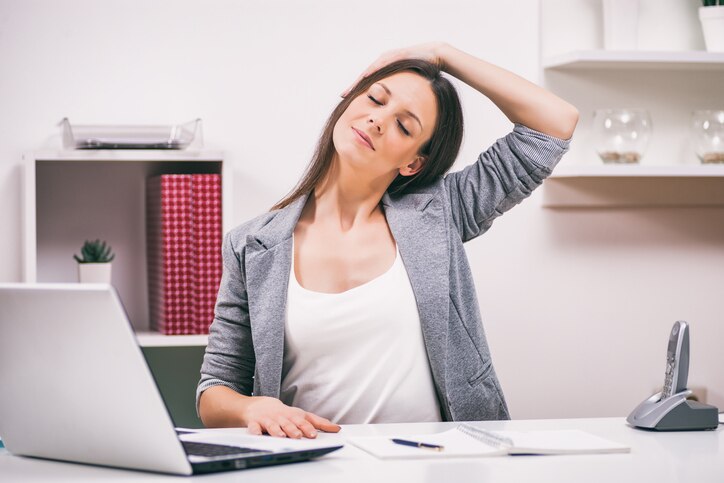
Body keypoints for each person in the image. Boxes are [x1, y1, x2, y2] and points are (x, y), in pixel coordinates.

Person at [196, 42, 579, 439]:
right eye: (375, 99)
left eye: (404, 125)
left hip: (441, 463)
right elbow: (214, 391)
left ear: (413, 162)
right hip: (313, 464)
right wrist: (251, 406)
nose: (378, 120)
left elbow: (555, 123)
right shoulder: (253, 245)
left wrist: (442, 55)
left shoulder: (444, 211)